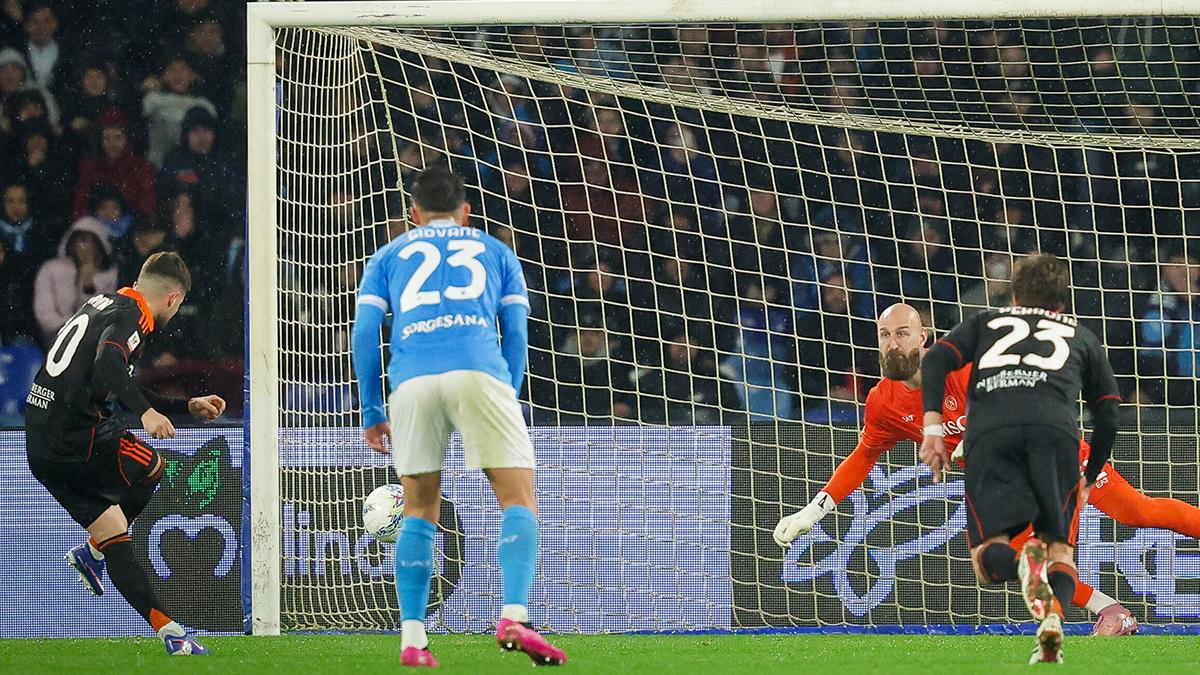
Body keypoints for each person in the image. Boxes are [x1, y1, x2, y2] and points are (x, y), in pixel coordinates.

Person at [774, 301, 1200, 637]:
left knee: (1137, 512)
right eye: (885, 335)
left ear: (923, 337)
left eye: (902, 333)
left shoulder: (961, 368)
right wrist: (815, 509)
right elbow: (864, 456)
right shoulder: (883, 402)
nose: (893, 343)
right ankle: (1112, 612)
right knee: (1013, 559)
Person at [352, 167, 566, 667]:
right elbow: (516, 330)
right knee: (517, 497)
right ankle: (514, 614)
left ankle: (412, 638)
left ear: (414, 213)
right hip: (478, 371)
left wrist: (372, 409)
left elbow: (364, 333)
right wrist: (508, 392)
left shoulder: (389, 255)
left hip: (412, 380)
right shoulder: (495, 250)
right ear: (465, 211)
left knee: (419, 508)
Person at [919, 253, 1121, 664]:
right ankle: (1053, 621)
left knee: (987, 559)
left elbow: (937, 358)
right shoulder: (1080, 335)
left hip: (992, 432)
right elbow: (1109, 413)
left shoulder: (987, 322)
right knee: (1060, 552)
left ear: (1013, 297)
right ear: (1061, 303)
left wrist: (933, 428)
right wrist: (1090, 475)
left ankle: (1020, 566)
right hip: (1055, 434)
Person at [23, 252, 224, 656]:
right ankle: (95, 553)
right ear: (172, 298)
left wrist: (185, 406)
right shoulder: (133, 317)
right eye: (179, 305)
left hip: (40, 444)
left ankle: (171, 634)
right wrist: (147, 413)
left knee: (113, 531)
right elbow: (108, 362)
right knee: (153, 466)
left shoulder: (105, 303)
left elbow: (111, 376)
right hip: (77, 438)